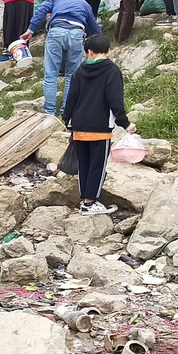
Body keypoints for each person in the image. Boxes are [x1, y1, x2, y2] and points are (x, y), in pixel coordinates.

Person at [61, 31, 132, 217]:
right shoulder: (112, 70)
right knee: (97, 166)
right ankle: (90, 203)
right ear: (108, 50)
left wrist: (67, 120)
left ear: (89, 52)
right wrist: (125, 123)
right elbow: (115, 100)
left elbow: (71, 97)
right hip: (100, 128)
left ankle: (85, 199)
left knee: (83, 165)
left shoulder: (79, 71)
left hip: (79, 126)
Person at [20, 0, 100, 117]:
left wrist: (31, 29)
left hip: (56, 31)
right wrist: (99, 45)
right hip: (76, 33)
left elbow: (41, 10)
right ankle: (66, 111)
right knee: (71, 76)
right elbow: (94, 28)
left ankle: (49, 113)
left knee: (51, 74)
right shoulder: (84, 3)